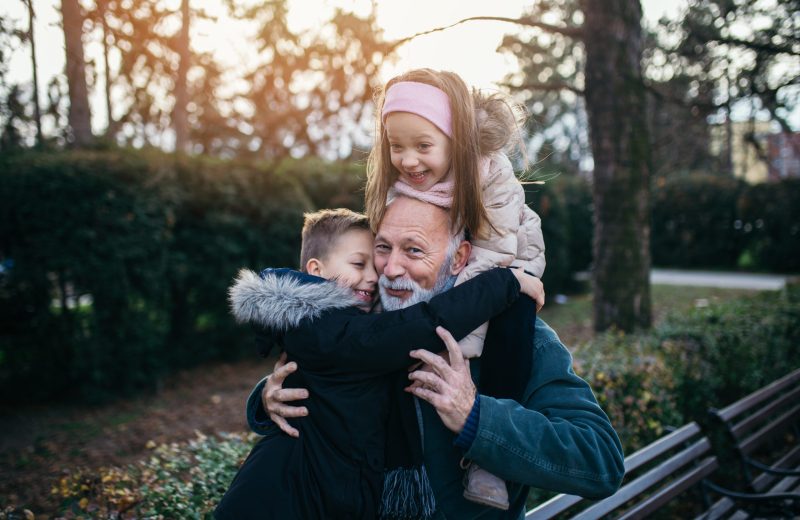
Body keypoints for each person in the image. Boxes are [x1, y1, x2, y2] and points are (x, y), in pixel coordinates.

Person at [250, 195, 625, 519]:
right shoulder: (366, 319)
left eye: (413, 250)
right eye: (382, 247)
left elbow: (600, 461)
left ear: (459, 257)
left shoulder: (517, 339)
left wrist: (476, 417)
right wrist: (268, 398)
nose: (391, 268)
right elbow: (333, 375)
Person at [214, 208, 544, 520]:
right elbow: (416, 328)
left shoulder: (336, 326)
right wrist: (504, 283)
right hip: (278, 498)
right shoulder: (329, 329)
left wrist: (264, 397)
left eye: (375, 263)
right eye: (359, 264)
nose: (376, 277)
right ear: (316, 270)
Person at [364, 68, 547, 508]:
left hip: (505, 265)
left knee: (512, 322)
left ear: (457, 141)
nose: (408, 161)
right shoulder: (405, 182)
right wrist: (275, 389)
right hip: (454, 290)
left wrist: (453, 343)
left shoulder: (492, 176)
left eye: (423, 146)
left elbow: (493, 255)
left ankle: (489, 464)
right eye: (396, 147)